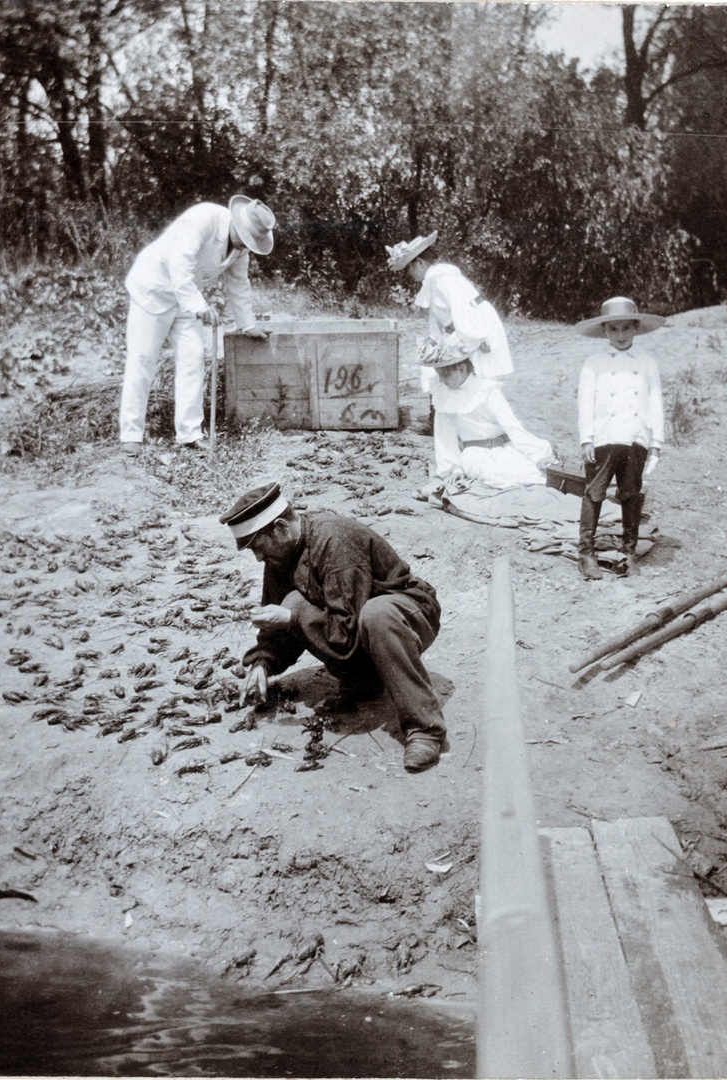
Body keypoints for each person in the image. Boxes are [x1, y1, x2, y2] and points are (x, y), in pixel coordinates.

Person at [219, 483, 448, 773]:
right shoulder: (282, 552)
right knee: (294, 603)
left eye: (258, 547)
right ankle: (366, 682)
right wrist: (262, 663)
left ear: (279, 528)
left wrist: (292, 619)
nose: (259, 558)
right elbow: (277, 613)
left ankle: (425, 729)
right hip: (360, 623)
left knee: (375, 615)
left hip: (409, 613)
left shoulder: (334, 540)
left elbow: (344, 637)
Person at [119, 195, 276, 454]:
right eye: (246, 237)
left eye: (252, 241)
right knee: (143, 359)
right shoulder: (204, 217)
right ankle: (131, 434)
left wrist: (247, 325)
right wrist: (199, 306)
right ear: (236, 222)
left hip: (186, 297)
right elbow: (178, 263)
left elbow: (238, 284)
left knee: (193, 360)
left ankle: (189, 434)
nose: (247, 245)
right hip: (153, 289)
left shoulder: (241, 249)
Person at [574, 296, 665, 580]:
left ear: (636, 328)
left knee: (631, 493)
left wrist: (656, 442)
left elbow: (654, 401)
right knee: (595, 491)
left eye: (626, 328)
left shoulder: (647, 363)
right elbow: (585, 402)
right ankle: (586, 553)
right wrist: (586, 438)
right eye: (614, 329)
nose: (621, 335)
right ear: (605, 331)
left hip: (635, 437)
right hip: (603, 437)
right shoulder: (594, 363)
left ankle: (628, 552)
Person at [386, 232, 513, 422]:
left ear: (419, 263)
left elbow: (463, 308)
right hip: (464, 327)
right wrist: (435, 341)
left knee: (476, 373)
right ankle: (442, 416)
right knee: (435, 366)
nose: (409, 275)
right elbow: (438, 316)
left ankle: (471, 419)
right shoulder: (435, 279)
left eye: (409, 269)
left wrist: (476, 337)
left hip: (476, 325)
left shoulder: (442, 278)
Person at [420, 339, 555, 489]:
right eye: (439, 375)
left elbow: (511, 426)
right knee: (497, 478)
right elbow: (444, 437)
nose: (441, 380)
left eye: (446, 375)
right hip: (475, 453)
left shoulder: (487, 389)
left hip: (504, 448)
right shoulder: (443, 394)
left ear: (462, 368)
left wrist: (536, 456)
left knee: (531, 473)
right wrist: (454, 469)